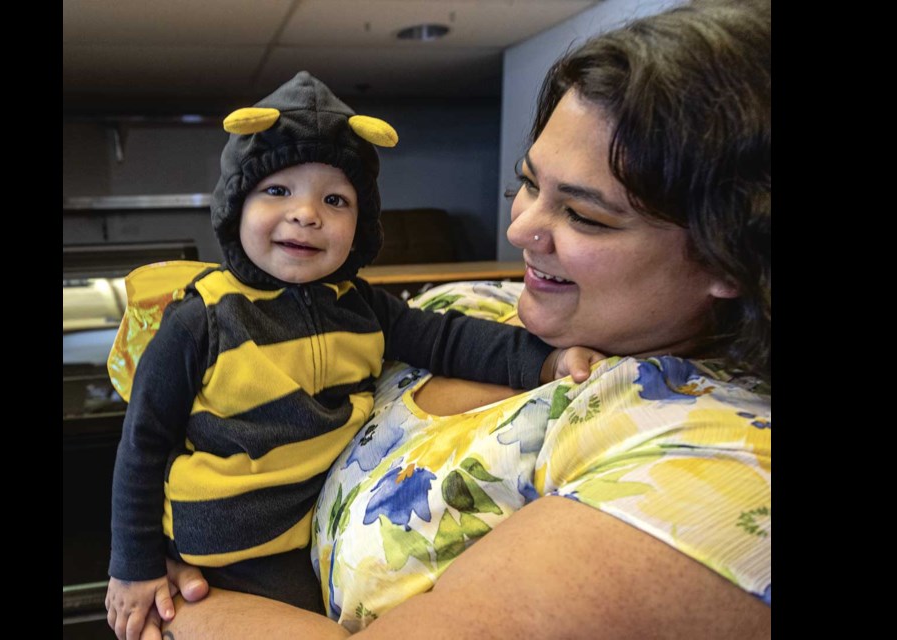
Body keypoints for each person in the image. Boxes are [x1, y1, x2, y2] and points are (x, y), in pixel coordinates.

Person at [139, 0, 772, 637]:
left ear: (733, 255)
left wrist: (181, 604)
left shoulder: (714, 464)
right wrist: (166, 537)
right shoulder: (471, 303)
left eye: (584, 215)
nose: (519, 229)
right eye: (526, 185)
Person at [104, 71, 601, 640]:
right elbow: (142, 445)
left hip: (301, 537)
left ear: (359, 227)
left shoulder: (363, 307)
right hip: (219, 550)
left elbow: (448, 340)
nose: (307, 213)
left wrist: (545, 362)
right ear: (235, 206)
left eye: (334, 199)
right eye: (277, 191)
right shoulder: (201, 319)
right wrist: (134, 566)